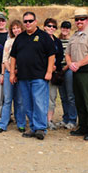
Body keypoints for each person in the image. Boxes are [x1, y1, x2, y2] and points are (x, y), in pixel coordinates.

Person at [10, 12, 55, 140]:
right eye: (25, 21)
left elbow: (51, 55)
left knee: (39, 103)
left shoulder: (44, 36)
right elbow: (13, 56)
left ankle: (41, 128)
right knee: (28, 103)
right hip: (23, 77)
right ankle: (34, 127)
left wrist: (49, 71)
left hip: (39, 76)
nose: (28, 23)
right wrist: (12, 73)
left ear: (36, 21)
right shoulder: (20, 37)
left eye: (30, 21)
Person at [66, 8, 88, 140]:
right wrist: (70, 64)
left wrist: (78, 64)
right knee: (79, 101)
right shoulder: (74, 36)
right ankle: (83, 127)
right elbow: (68, 54)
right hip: (76, 72)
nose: (79, 21)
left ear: (87, 20)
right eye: (77, 19)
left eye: (82, 19)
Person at [0, 20, 25, 133]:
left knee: (19, 100)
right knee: (7, 99)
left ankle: (21, 123)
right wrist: (11, 72)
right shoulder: (8, 42)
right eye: (14, 28)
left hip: (22, 73)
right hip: (10, 72)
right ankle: (3, 124)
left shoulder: (25, 40)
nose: (16, 30)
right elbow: (5, 59)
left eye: (18, 28)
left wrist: (18, 72)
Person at [44, 18, 64, 130]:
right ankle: (41, 119)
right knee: (41, 98)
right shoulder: (40, 39)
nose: (51, 28)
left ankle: (49, 120)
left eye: (54, 26)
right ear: (44, 27)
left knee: (52, 97)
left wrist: (55, 66)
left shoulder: (57, 42)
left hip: (54, 73)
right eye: (49, 26)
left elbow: (60, 56)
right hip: (41, 72)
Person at [57, 21, 77, 129]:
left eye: (67, 28)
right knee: (63, 96)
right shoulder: (58, 40)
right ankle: (65, 118)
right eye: (63, 27)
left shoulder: (72, 40)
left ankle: (72, 119)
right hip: (59, 71)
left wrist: (65, 68)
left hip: (68, 70)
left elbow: (73, 56)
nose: (65, 29)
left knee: (70, 96)